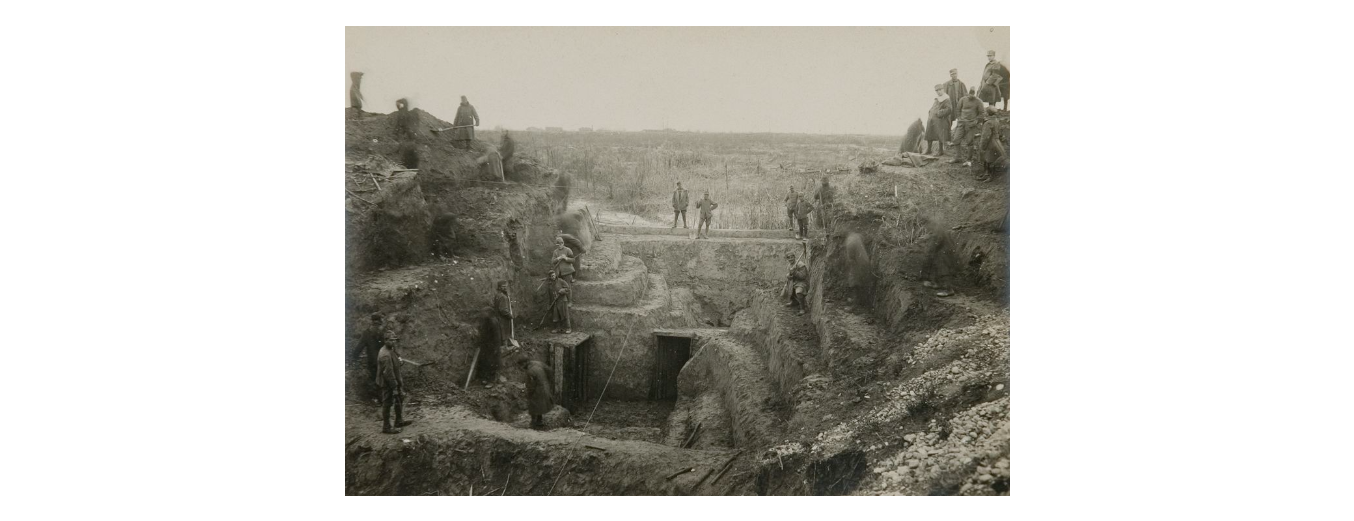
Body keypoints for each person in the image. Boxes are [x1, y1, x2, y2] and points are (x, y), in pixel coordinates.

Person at [376, 332, 414, 434]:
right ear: (385, 340)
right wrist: (394, 387)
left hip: (395, 379)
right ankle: (386, 427)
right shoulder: (385, 354)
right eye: (391, 340)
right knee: (387, 403)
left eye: (394, 340)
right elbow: (388, 373)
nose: (393, 342)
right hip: (387, 382)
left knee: (399, 398)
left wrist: (399, 360)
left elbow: (395, 358)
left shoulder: (390, 349)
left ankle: (398, 421)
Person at [349, 313, 386, 395]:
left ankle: (378, 397)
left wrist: (354, 357)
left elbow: (359, 347)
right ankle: (381, 397)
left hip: (375, 361)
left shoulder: (367, 333)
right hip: (380, 361)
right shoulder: (381, 332)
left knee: (376, 379)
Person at [950, 87, 985, 164]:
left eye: (973, 94)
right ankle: (958, 157)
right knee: (956, 140)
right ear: (968, 93)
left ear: (975, 94)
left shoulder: (978, 101)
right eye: (970, 94)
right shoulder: (962, 99)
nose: (971, 96)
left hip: (971, 124)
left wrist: (976, 122)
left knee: (970, 142)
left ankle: (969, 160)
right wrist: (959, 118)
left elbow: (982, 113)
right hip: (961, 123)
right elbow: (958, 110)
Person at [521, 357, 555, 429]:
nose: (521, 367)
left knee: (532, 404)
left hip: (538, 389)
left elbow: (531, 386)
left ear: (525, 363)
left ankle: (533, 422)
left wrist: (528, 393)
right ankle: (539, 420)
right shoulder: (537, 363)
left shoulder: (530, 371)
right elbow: (550, 370)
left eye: (522, 365)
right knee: (540, 405)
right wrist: (547, 381)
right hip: (545, 386)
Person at [976, 108, 1008, 182]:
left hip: (990, 142)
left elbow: (985, 136)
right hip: (996, 141)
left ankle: (989, 176)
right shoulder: (996, 120)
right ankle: (987, 174)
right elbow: (1000, 132)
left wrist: (982, 146)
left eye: (986, 112)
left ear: (988, 113)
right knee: (990, 158)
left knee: (988, 159)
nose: (984, 113)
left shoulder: (988, 123)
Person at [926, 84, 951, 156]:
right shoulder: (937, 99)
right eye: (937, 91)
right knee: (929, 133)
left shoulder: (946, 99)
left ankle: (941, 151)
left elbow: (949, 109)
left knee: (940, 134)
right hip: (932, 119)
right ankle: (928, 149)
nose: (938, 92)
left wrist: (939, 113)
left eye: (940, 90)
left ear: (943, 90)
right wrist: (930, 111)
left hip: (941, 120)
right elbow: (934, 107)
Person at [493, 280, 513, 346]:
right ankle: (505, 347)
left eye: (505, 286)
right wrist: (510, 315)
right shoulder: (503, 297)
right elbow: (503, 310)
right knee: (504, 334)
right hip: (503, 320)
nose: (505, 288)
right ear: (499, 287)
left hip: (497, 318)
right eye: (503, 286)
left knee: (500, 334)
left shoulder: (497, 295)